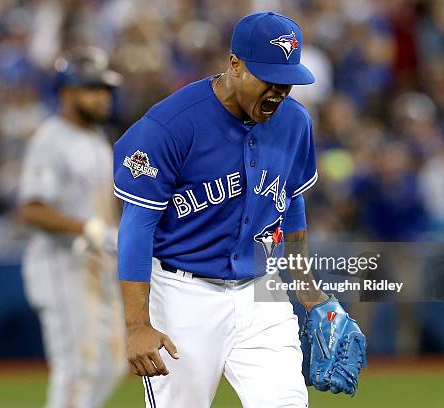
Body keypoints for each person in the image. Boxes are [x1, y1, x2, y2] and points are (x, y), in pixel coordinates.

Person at [114, 12, 365, 408]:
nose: (280, 91)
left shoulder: (295, 122)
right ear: (235, 65)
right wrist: (138, 325)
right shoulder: (168, 127)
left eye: (288, 81)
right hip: (184, 294)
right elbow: (136, 229)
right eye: (269, 79)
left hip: (262, 290)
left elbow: (291, 205)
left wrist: (310, 292)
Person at [18, 47, 126, 408]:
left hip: (97, 267)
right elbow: (30, 209)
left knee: (112, 364)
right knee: (79, 365)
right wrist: (86, 227)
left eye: (105, 89)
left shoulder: (96, 139)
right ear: (66, 92)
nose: (102, 97)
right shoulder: (52, 138)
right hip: (61, 266)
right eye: (92, 88)